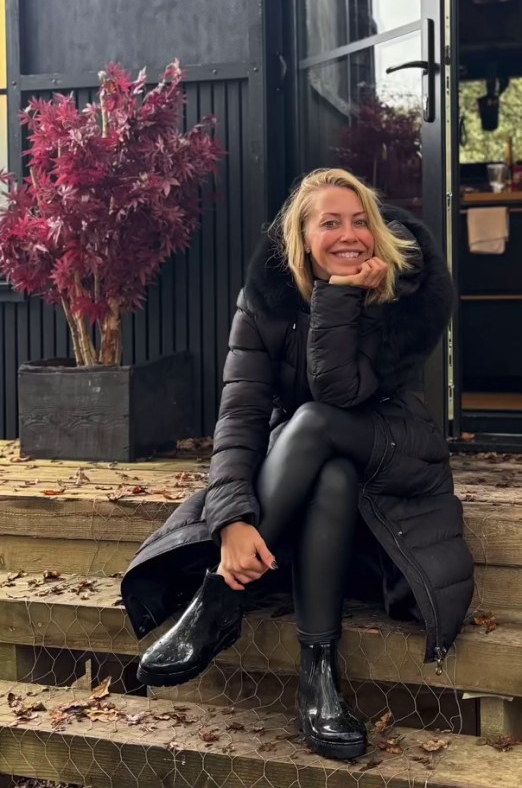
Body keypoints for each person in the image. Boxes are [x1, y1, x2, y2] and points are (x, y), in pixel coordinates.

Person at [121, 168, 474, 761]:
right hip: (320, 465)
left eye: (362, 220)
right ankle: (319, 676)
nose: (351, 234)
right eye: (331, 222)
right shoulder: (267, 301)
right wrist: (230, 520)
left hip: (397, 450)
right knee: (328, 471)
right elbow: (240, 413)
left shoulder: (400, 292)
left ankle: (218, 601)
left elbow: (341, 394)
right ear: (302, 238)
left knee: (311, 421)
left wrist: (341, 296)